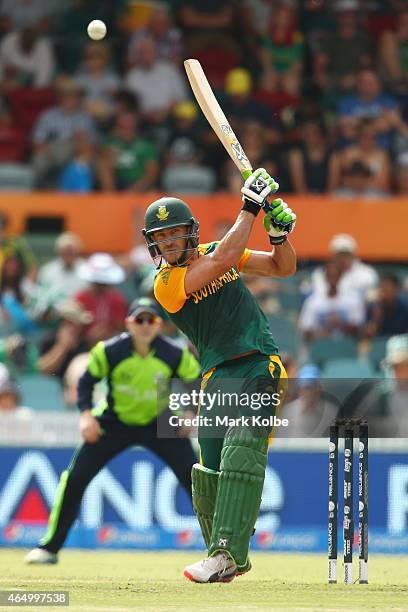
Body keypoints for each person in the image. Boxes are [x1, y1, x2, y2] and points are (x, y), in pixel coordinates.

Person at [143, 167, 297, 582]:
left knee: (240, 453)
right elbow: (225, 259)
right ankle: (227, 558)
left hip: (257, 362)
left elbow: (281, 268)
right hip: (216, 378)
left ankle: (225, 553)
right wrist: (250, 207)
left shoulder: (217, 249)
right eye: (160, 238)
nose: (169, 243)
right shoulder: (166, 284)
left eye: (174, 234)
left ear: (189, 232)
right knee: (208, 469)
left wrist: (279, 236)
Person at [25, 297, 201, 564]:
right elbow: (86, 383)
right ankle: (49, 548)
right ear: (128, 323)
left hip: (160, 421)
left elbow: (196, 384)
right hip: (113, 422)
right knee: (74, 480)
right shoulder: (109, 351)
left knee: (197, 481)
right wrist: (86, 416)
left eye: (150, 320)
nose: (144, 325)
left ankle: (220, 550)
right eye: (138, 320)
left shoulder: (174, 353)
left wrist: (189, 413)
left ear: (159, 325)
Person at [299, 262, 365, 342]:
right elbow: (306, 330)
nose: (332, 279)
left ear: (340, 277)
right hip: (321, 346)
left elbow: (358, 329)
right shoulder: (313, 301)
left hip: (346, 346)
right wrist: (324, 331)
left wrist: (341, 323)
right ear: (325, 277)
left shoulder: (353, 300)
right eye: (329, 276)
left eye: (335, 276)